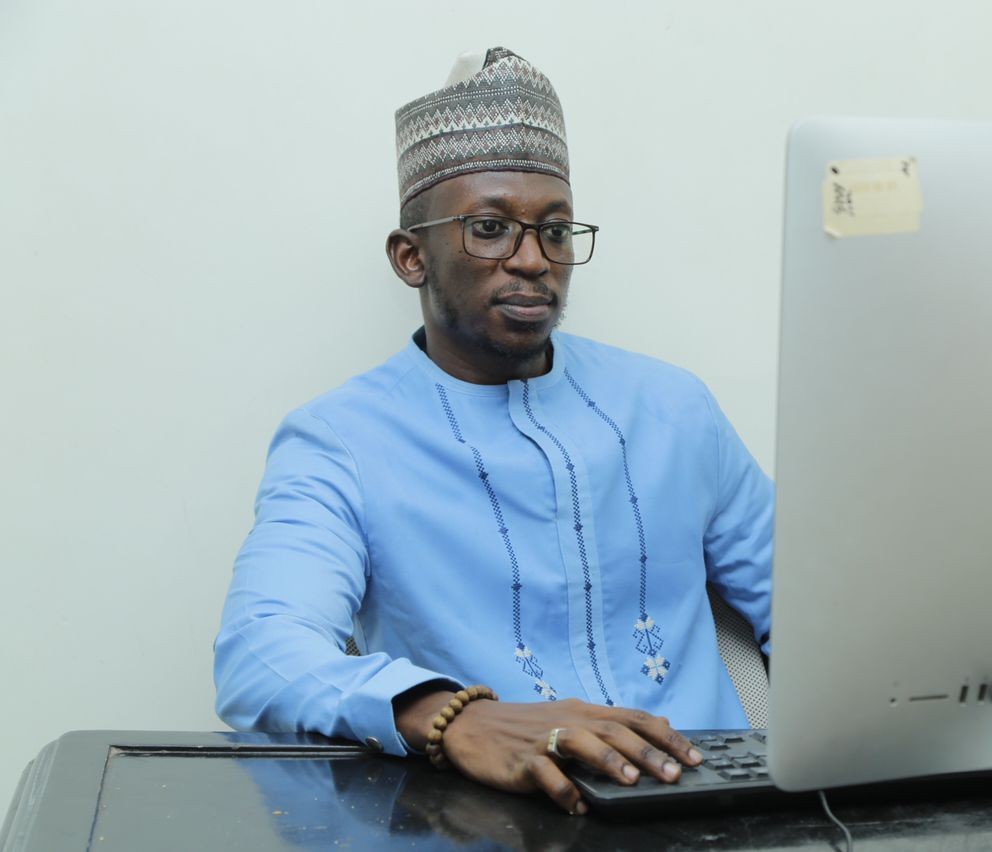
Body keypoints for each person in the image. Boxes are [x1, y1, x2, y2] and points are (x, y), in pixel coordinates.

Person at [214, 46, 774, 815]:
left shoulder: (672, 407)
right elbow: (261, 656)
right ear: (412, 257)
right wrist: (455, 718)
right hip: (496, 820)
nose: (533, 260)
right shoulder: (340, 441)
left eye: (554, 230)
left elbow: (812, 606)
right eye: (489, 229)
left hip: (721, 808)